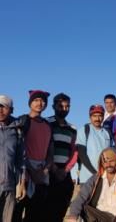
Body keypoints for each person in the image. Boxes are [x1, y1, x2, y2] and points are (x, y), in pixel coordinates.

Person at [14, 90, 53, 222]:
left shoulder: (48, 125)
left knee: (35, 215)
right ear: (30, 103)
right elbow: (18, 149)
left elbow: (50, 151)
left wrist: (44, 171)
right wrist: (32, 172)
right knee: (16, 213)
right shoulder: (22, 121)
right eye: (36, 100)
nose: (40, 103)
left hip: (41, 174)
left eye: (42, 101)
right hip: (24, 175)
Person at [66, 148, 116, 222]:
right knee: (83, 207)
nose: (108, 165)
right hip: (100, 216)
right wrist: (73, 216)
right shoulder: (95, 178)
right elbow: (81, 196)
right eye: (105, 162)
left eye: (111, 161)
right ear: (102, 163)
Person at [46, 93, 78, 222]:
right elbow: (45, 147)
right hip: (49, 171)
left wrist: (65, 170)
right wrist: (54, 168)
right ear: (54, 106)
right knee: (46, 210)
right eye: (61, 106)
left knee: (61, 208)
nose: (64, 109)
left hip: (65, 172)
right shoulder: (47, 123)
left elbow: (75, 151)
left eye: (67, 106)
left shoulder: (72, 128)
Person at [0, 95, 26, 222]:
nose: (0, 110)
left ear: (11, 110)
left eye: (3, 107)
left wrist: (21, 184)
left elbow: (21, 159)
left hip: (9, 186)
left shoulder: (17, 130)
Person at [76, 104, 112, 184]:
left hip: (104, 177)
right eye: (94, 116)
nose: (97, 119)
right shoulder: (84, 130)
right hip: (87, 178)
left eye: (100, 116)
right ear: (90, 117)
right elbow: (82, 154)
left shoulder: (107, 133)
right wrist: (95, 172)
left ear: (103, 117)